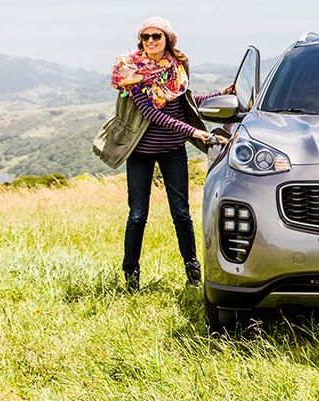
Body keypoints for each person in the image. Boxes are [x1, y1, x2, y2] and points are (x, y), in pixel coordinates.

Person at [93, 17, 233, 291]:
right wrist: (194, 132)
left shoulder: (176, 67)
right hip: (141, 152)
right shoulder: (131, 71)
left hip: (172, 150)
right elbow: (152, 114)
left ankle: (193, 274)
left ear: (168, 39)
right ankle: (131, 279)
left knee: (181, 213)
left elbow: (186, 100)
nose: (150, 41)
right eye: (145, 37)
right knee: (137, 214)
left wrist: (220, 94)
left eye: (156, 36)